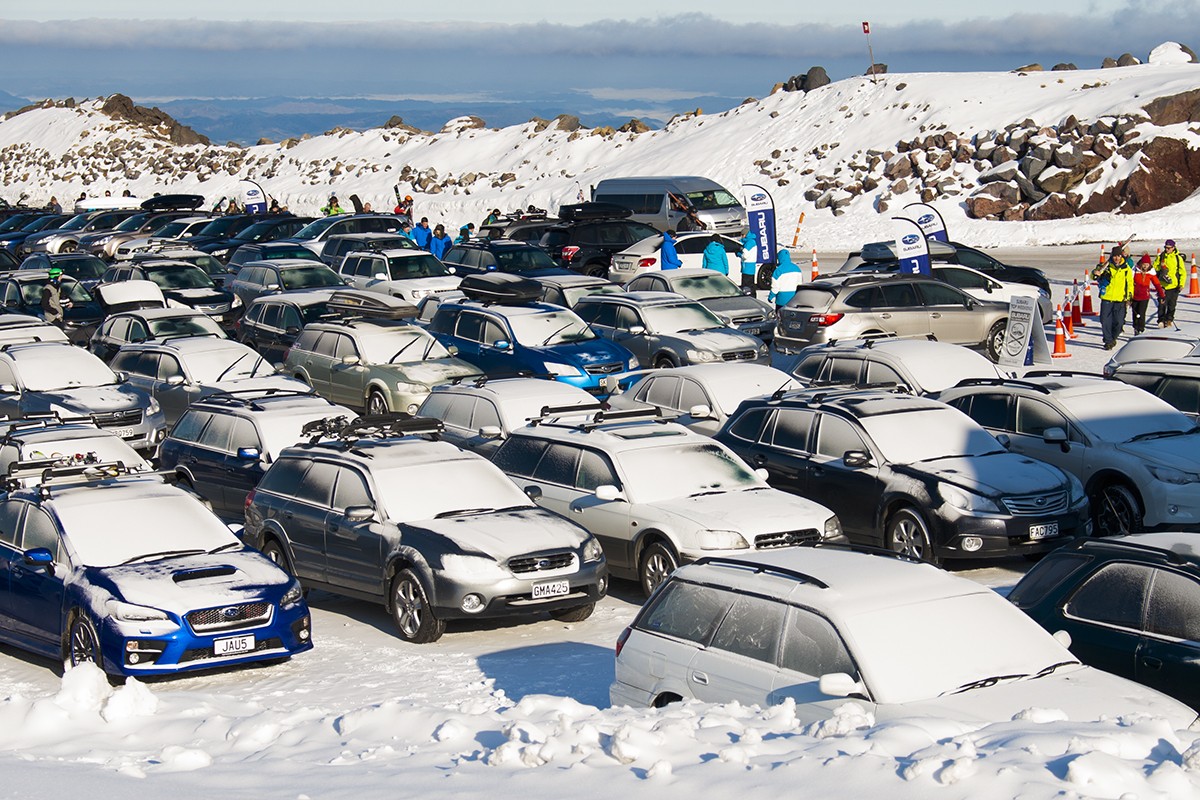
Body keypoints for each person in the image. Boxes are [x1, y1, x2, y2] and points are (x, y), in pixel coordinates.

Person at [1092, 245, 1134, 350]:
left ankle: (1113, 338)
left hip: (1120, 299)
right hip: (1107, 297)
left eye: (1119, 256)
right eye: (1115, 256)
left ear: (1121, 256)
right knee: (1105, 320)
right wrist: (1095, 273)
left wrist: (1129, 297)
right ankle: (1108, 341)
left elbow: (1130, 283)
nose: (1117, 258)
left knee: (1119, 322)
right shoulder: (1105, 266)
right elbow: (1094, 275)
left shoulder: (1126, 269)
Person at [1154, 239, 1188, 328]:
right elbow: (1154, 268)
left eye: (1169, 248)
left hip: (1174, 286)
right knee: (1162, 304)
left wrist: (1181, 284)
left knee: (1171, 305)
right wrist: (1160, 267)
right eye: (1166, 247)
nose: (1167, 249)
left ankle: (1169, 320)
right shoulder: (1161, 256)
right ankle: (1161, 320)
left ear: (1173, 248)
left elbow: (1182, 272)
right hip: (1163, 285)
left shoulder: (1178, 258)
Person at [1131, 254, 1164, 335]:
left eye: (1147, 265)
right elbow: (1129, 282)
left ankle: (1141, 329)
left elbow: (1157, 284)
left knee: (1141, 313)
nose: (1145, 266)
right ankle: (1135, 327)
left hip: (1144, 297)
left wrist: (1162, 295)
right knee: (1135, 313)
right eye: (1144, 264)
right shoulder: (1135, 271)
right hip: (1134, 296)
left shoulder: (1150, 273)